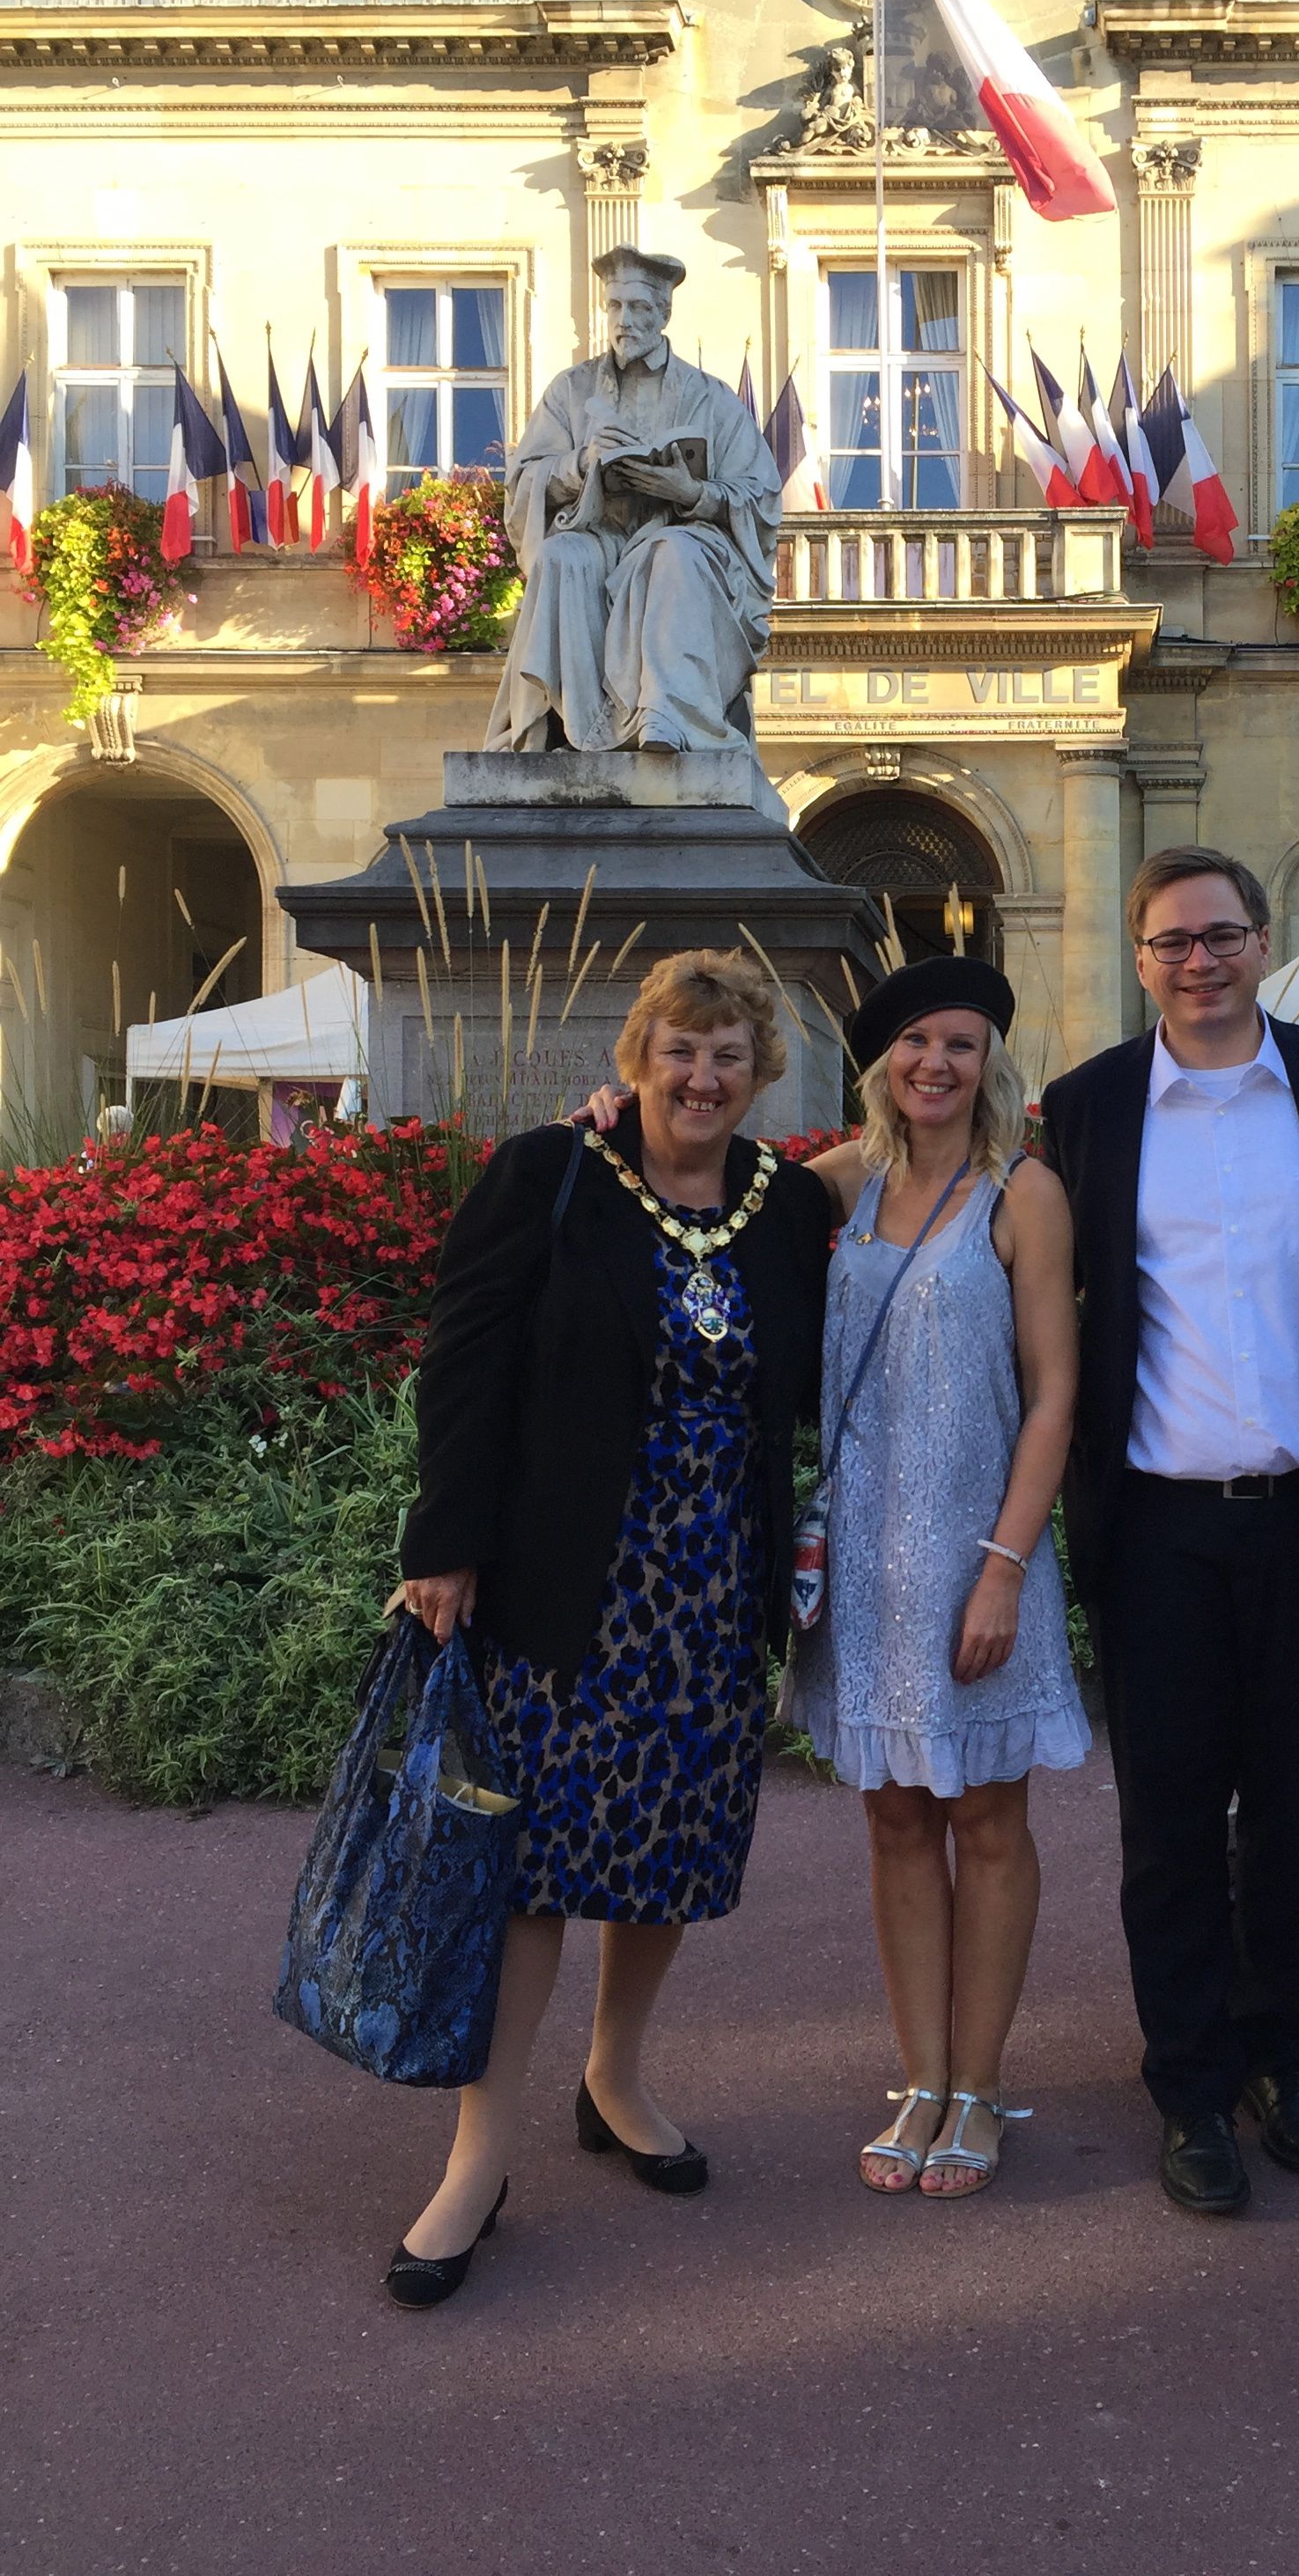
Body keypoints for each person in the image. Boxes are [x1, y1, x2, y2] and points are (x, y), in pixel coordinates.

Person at [387, 948, 830, 2307]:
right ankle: (479, 2157)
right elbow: (464, 1361)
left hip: (710, 1583)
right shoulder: (552, 1175)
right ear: (636, 1059)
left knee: (667, 1847)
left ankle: (617, 2078)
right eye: (679, 1052)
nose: (702, 1078)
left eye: (730, 1057)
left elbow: (902, 1175)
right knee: (531, 1864)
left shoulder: (787, 1204)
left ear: (761, 1076)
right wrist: (445, 1544)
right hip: (566, 1578)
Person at [1039, 848, 1299, 2217]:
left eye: (1222, 937)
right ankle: (1190, 2084)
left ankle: (1286, 2060)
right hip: (1160, 1529)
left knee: (1298, 1812)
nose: (1199, 962)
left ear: (1264, 944)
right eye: (1171, 943)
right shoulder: (1086, 1109)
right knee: (1171, 1825)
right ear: (1139, 959)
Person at [787, 960, 1086, 2197]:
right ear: (879, 1062)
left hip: (979, 1551)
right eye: (916, 1043)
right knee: (896, 1816)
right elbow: (676, 1194)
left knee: (991, 1819)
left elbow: (1055, 1389)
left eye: (963, 1045)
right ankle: (917, 2076)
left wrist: (1006, 1569)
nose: (938, 1065)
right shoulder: (834, 1191)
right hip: (861, 1556)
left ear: (991, 1062)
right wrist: (598, 1125)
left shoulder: (1023, 1194)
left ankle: (978, 2085)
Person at [487, 246, 780, 757]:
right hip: (599, 536)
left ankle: (668, 717)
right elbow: (525, 481)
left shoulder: (710, 397)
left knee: (672, 552)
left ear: (664, 314)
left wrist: (692, 494)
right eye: (615, 307)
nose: (624, 321)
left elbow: (761, 494)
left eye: (639, 309)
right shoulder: (570, 391)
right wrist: (581, 464)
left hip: (680, 539)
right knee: (559, 556)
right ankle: (565, 726)